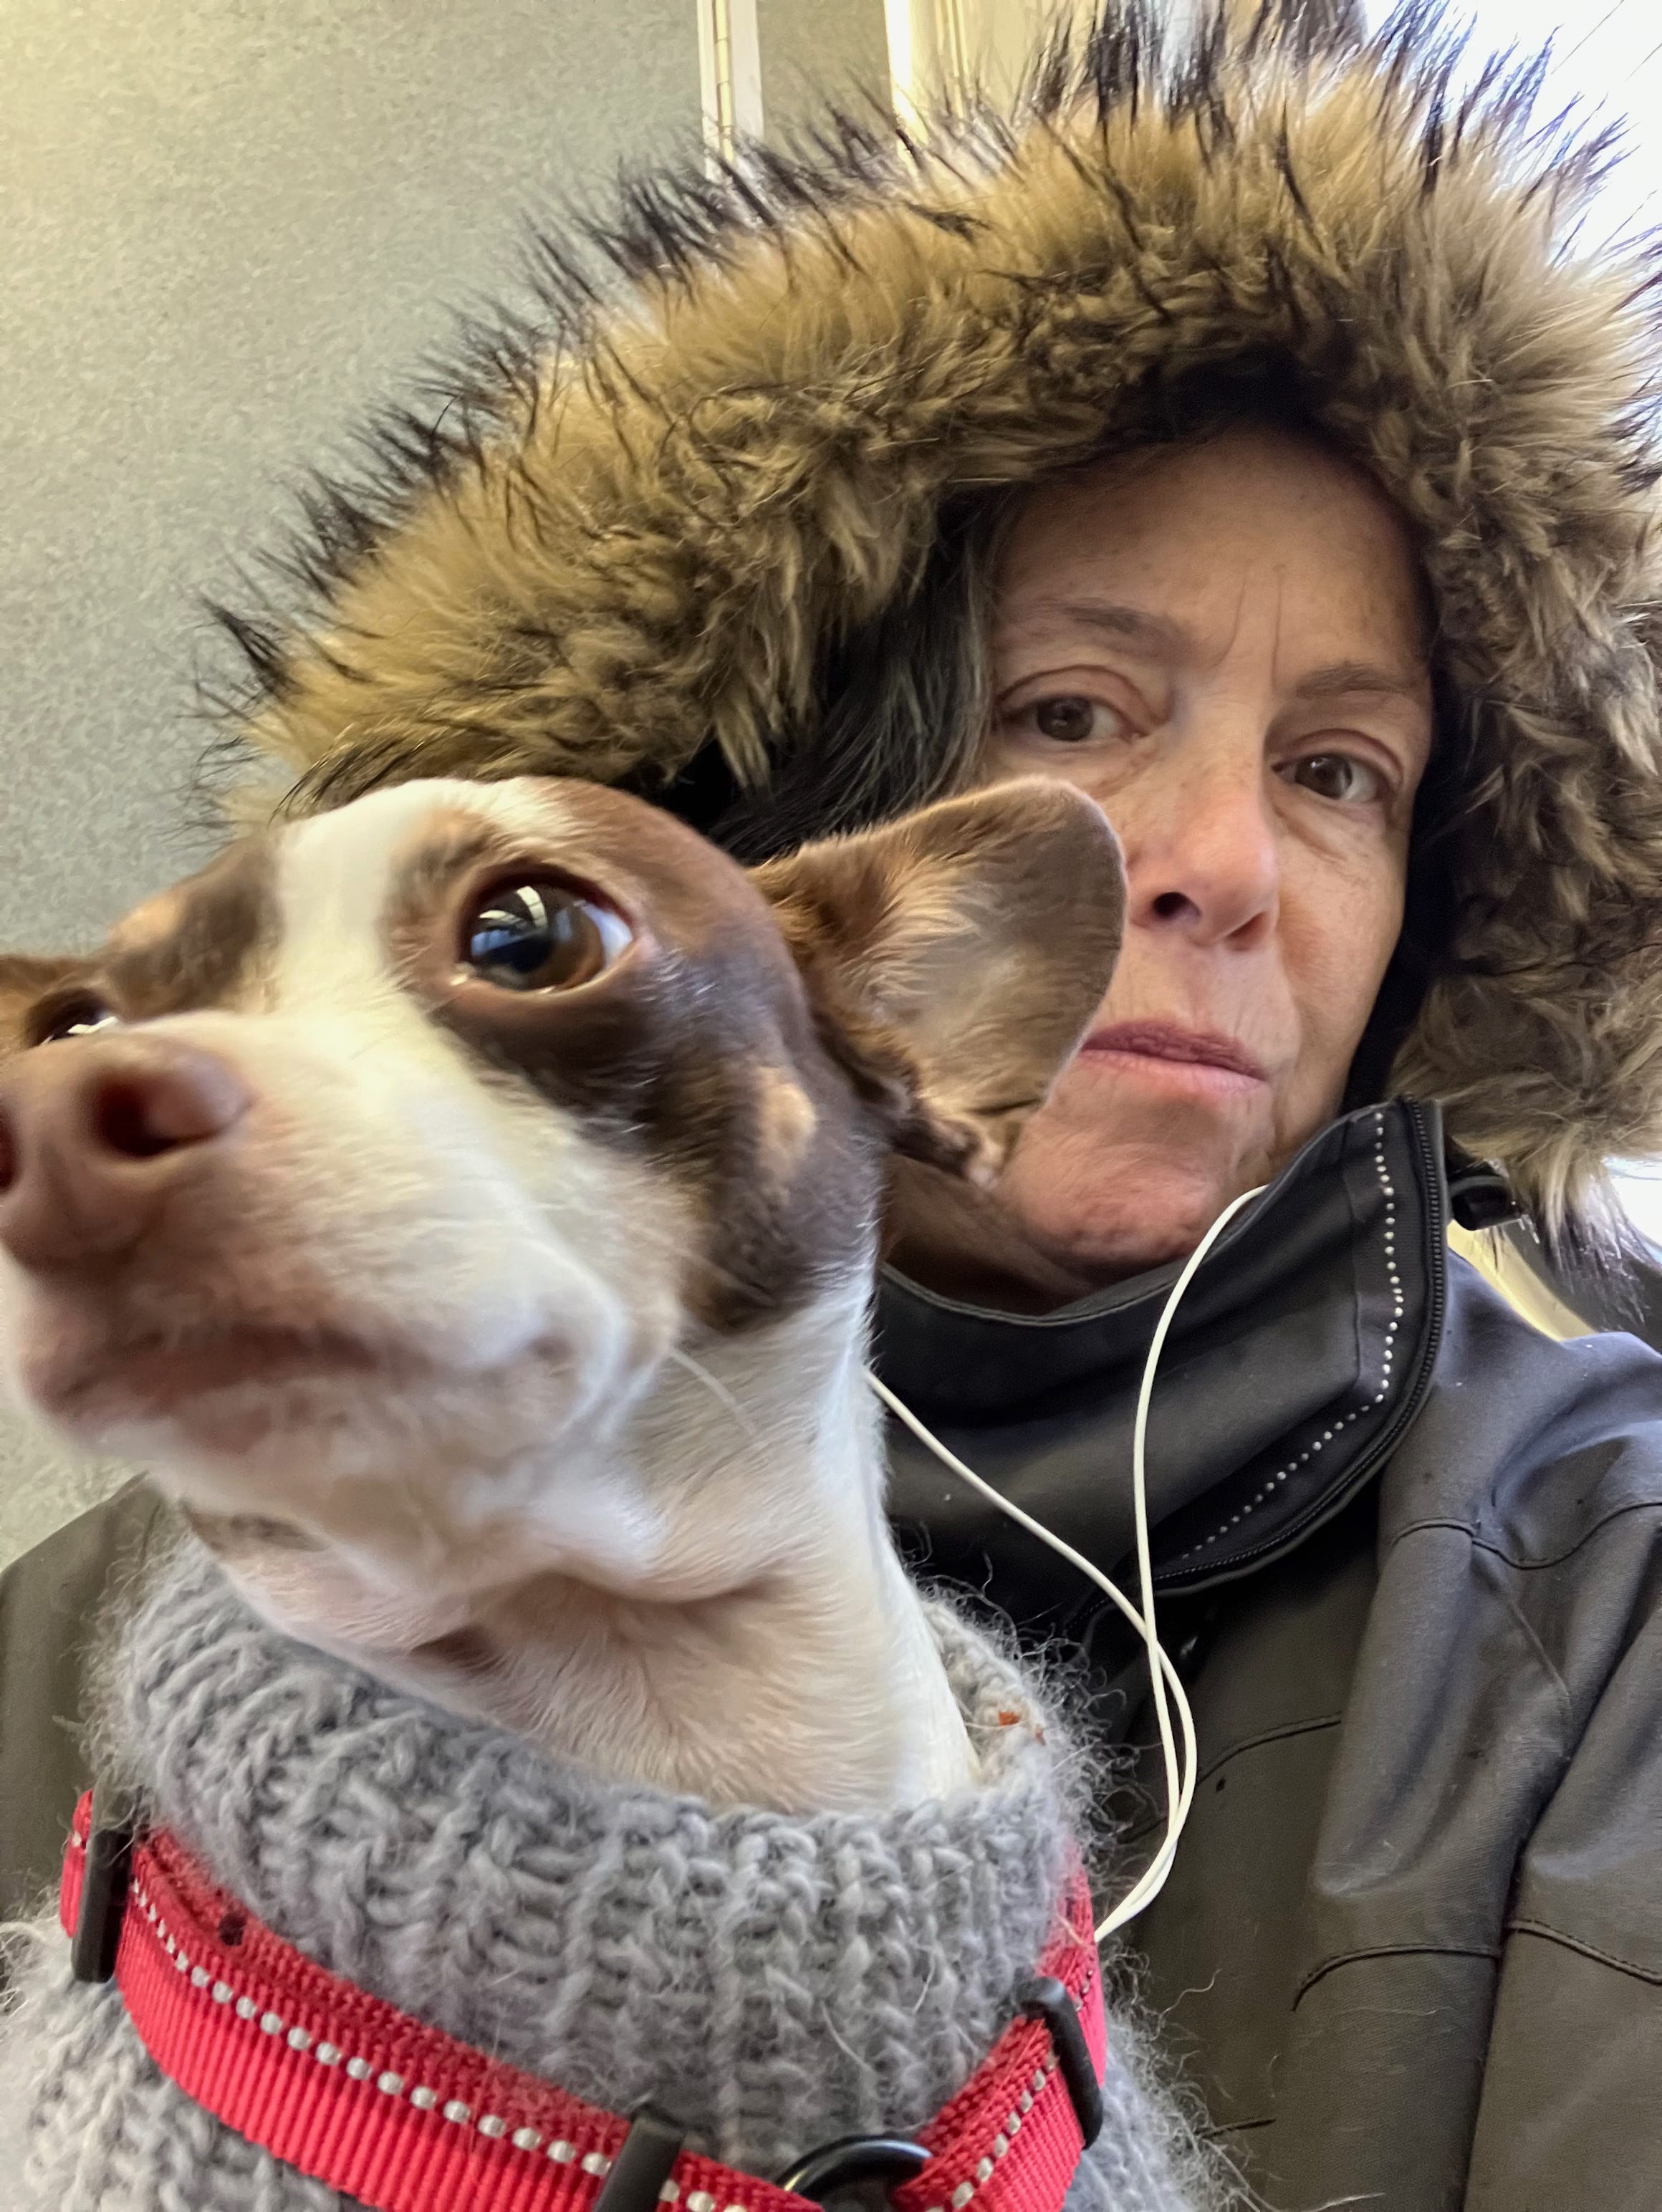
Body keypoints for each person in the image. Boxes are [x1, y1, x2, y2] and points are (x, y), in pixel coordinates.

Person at [6, 2, 1662, 2203]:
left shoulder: (1607, 1592)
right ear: (794, 856)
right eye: (1070, 709)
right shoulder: (90, 1627)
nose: (1225, 862)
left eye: (1340, 770)